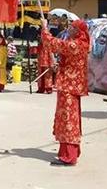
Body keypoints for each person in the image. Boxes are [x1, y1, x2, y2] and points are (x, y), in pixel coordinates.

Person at [41, 19, 90, 167]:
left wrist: (45, 28)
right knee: (68, 119)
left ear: (78, 31)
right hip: (70, 85)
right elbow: (67, 57)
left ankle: (69, 156)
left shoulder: (76, 44)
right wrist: (61, 65)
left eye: (73, 27)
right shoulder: (79, 43)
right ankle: (68, 152)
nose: (69, 28)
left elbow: (53, 44)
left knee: (68, 120)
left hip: (69, 87)